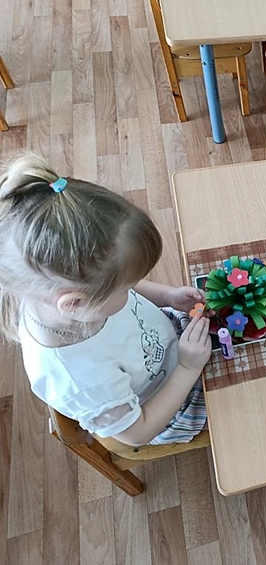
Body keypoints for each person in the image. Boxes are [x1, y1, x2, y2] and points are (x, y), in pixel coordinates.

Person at [0, 153, 212, 446]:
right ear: (75, 303)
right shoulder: (79, 380)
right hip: (172, 406)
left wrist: (167, 296)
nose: (131, 289)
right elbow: (138, 432)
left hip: (176, 345)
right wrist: (188, 368)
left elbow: (116, 284)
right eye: (126, 288)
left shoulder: (73, 296)